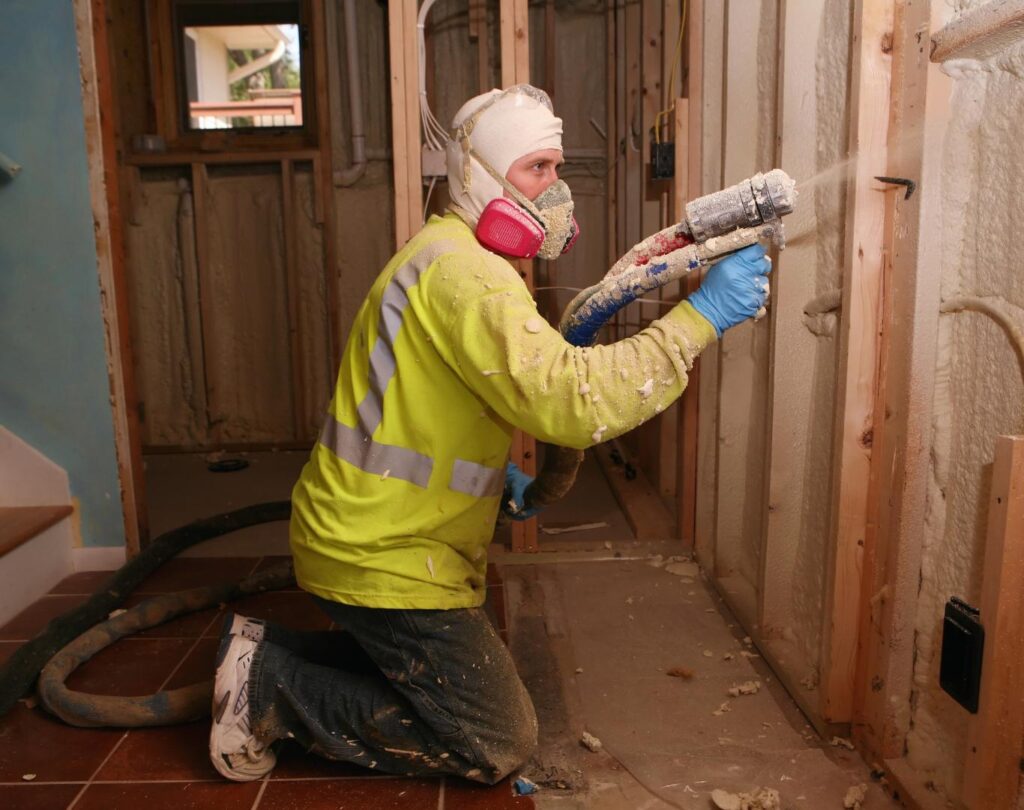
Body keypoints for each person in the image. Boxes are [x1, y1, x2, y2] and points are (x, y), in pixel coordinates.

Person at [207, 84, 770, 784]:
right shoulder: (468, 277)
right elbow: (572, 401)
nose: (556, 189)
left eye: (557, 168)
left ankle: (266, 652)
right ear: (482, 178)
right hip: (381, 553)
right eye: (538, 169)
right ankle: (271, 691)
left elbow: (433, 397)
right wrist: (700, 319)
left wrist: (484, 474)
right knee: (496, 739)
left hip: (370, 528)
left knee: (440, 678)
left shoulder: (448, 252)